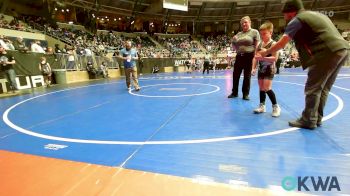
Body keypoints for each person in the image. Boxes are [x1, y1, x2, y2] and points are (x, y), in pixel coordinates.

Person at [259, 0, 349, 129]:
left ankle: (308, 120)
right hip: (342, 50)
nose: (284, 17)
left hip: (326, 52)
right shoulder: (317, 15)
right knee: (323, 88)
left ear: (291, 12)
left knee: (312, 88)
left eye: (285, 14)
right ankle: (316, 118)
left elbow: (282, 43)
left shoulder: (296, 20)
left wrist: (266, 52)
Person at [252, 21, 281, 117]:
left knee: (267, 88)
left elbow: (274, 59)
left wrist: (262, 58)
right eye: (261, 34)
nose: (262, 36)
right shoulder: (259, 44)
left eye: (264, 34)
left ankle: (276, 107)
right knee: (261, 88)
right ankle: (262, 106)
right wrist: (253, 68)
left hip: (270, 68)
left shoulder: (274, 44)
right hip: (261, 69)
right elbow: (255, 57)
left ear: (270, 33)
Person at [228, 16, 260, 100]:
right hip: (239, 56)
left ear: (250, 22)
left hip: (249, 56)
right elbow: (234, 47)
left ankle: (245, 94)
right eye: (242, 23)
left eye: (245, 22)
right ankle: (234, 93)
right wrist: (234, 41)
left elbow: (257, 46)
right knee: (235, 75)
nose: (244, 24)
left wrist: (255, 59)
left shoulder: (254, 32)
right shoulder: (239, 34)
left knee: (247, 76)